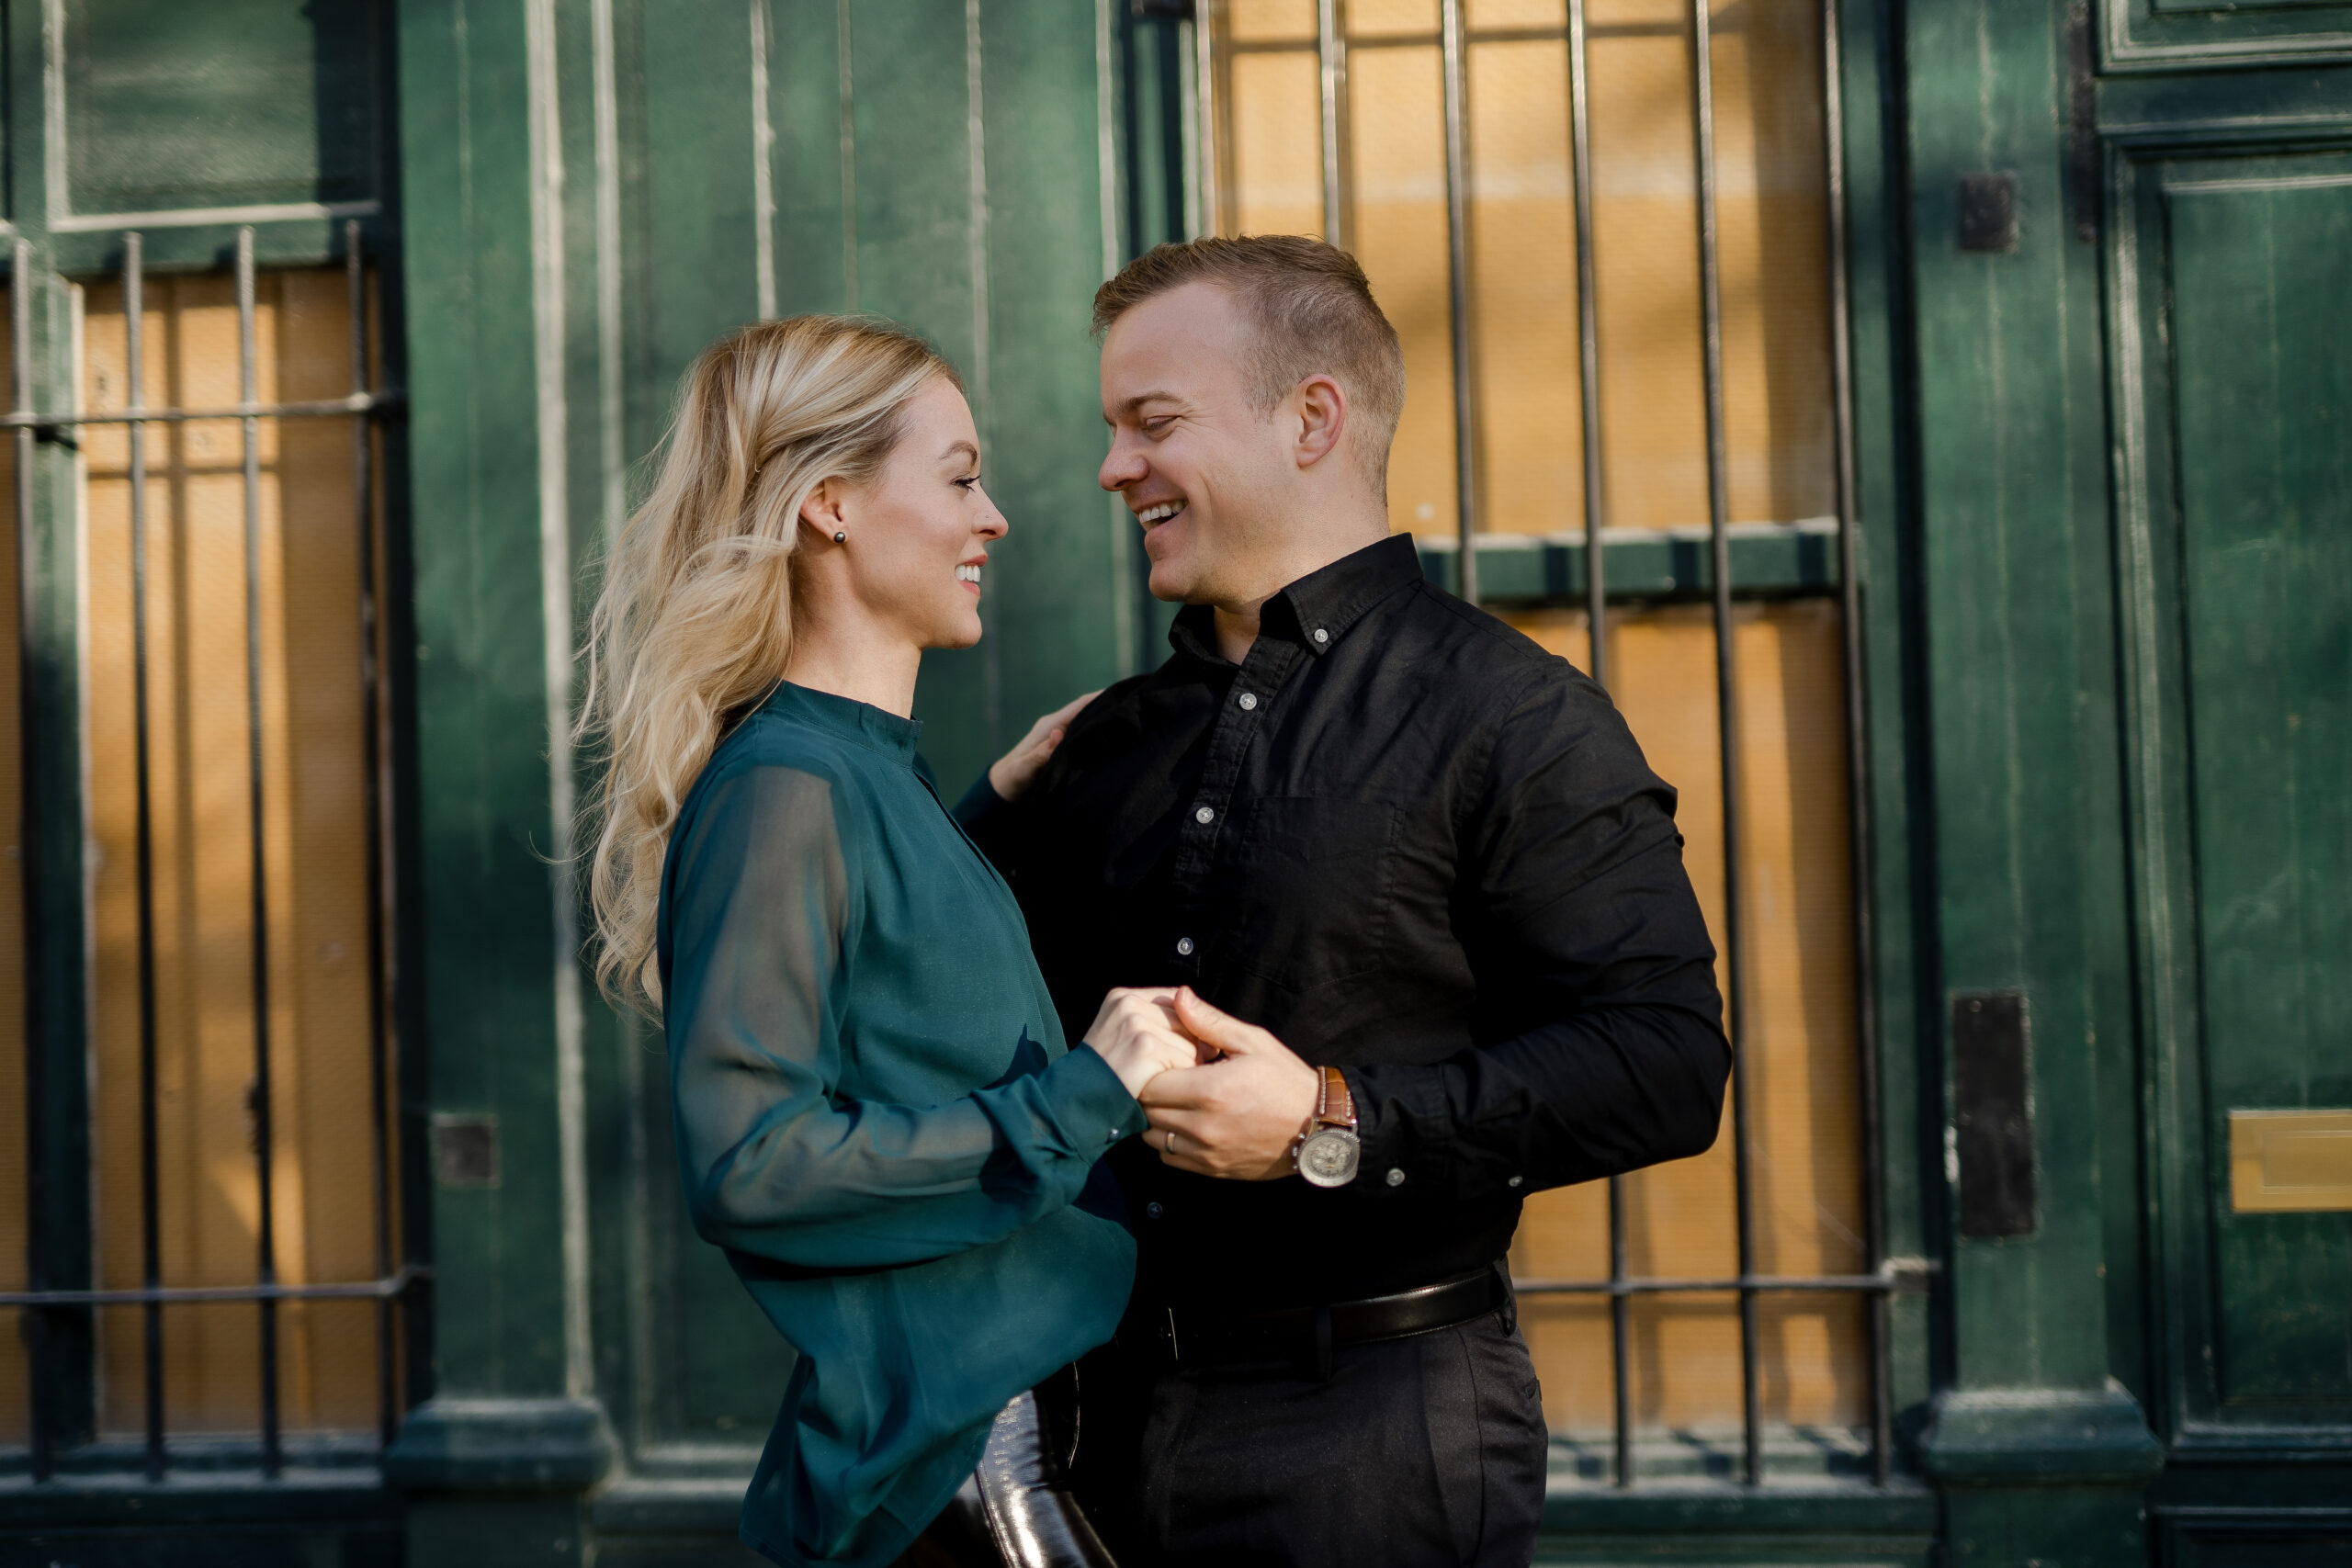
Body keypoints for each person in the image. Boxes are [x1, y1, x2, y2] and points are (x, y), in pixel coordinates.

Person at [958, 237, 1733, 1567]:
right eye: (1111, 429)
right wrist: (975, 818)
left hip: (1374, 1437)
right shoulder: (1100, 748)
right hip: (1092, 1425)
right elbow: (951, 1033)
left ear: (1310, 417)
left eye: (1153, 423)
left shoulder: (1517, 718)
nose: (1111, 468)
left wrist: (1331, 1120)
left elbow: (1665, 1066)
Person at [576, 315, 1200, 1568]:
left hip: (1041, 1432)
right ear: (831, 507)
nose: (995, 519)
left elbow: (894, 1001)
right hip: (965, 1463)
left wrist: (987, 814)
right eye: (961, 476)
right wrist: (1081, 1094)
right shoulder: (787, 787)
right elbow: (755, 1167)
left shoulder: (857, 777)